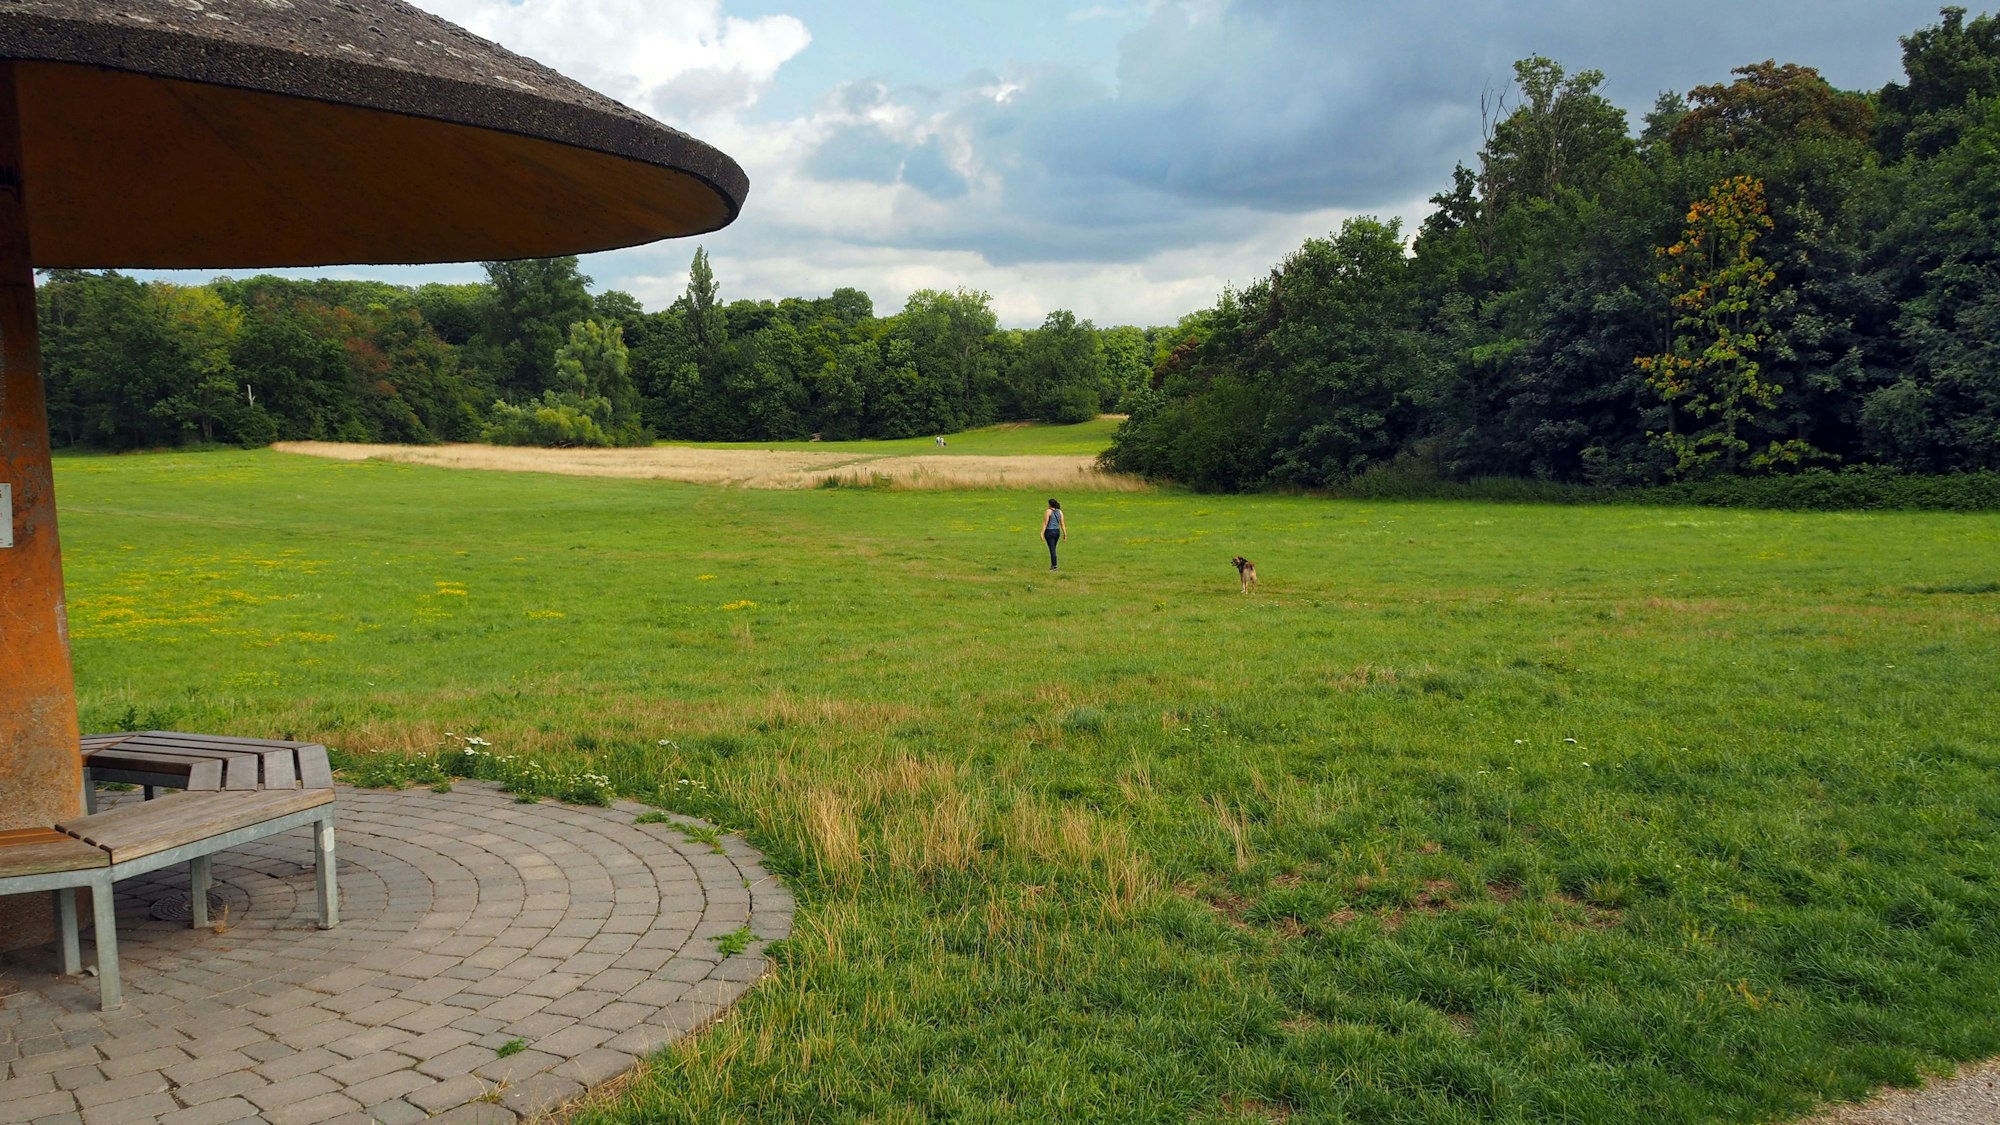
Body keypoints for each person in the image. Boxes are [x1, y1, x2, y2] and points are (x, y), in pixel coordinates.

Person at [1041, 499, 1067, 571]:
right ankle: (1053, 565)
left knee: (1052, 549)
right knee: (1053, 548)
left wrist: (1042, 533)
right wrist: (1065, 533)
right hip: (1057, 532)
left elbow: (1045, 523)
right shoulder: (1060, 512)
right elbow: (1062, 523)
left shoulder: (1048, 511)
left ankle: (1054, 566)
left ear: (1050, 504)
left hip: (1049, 532)